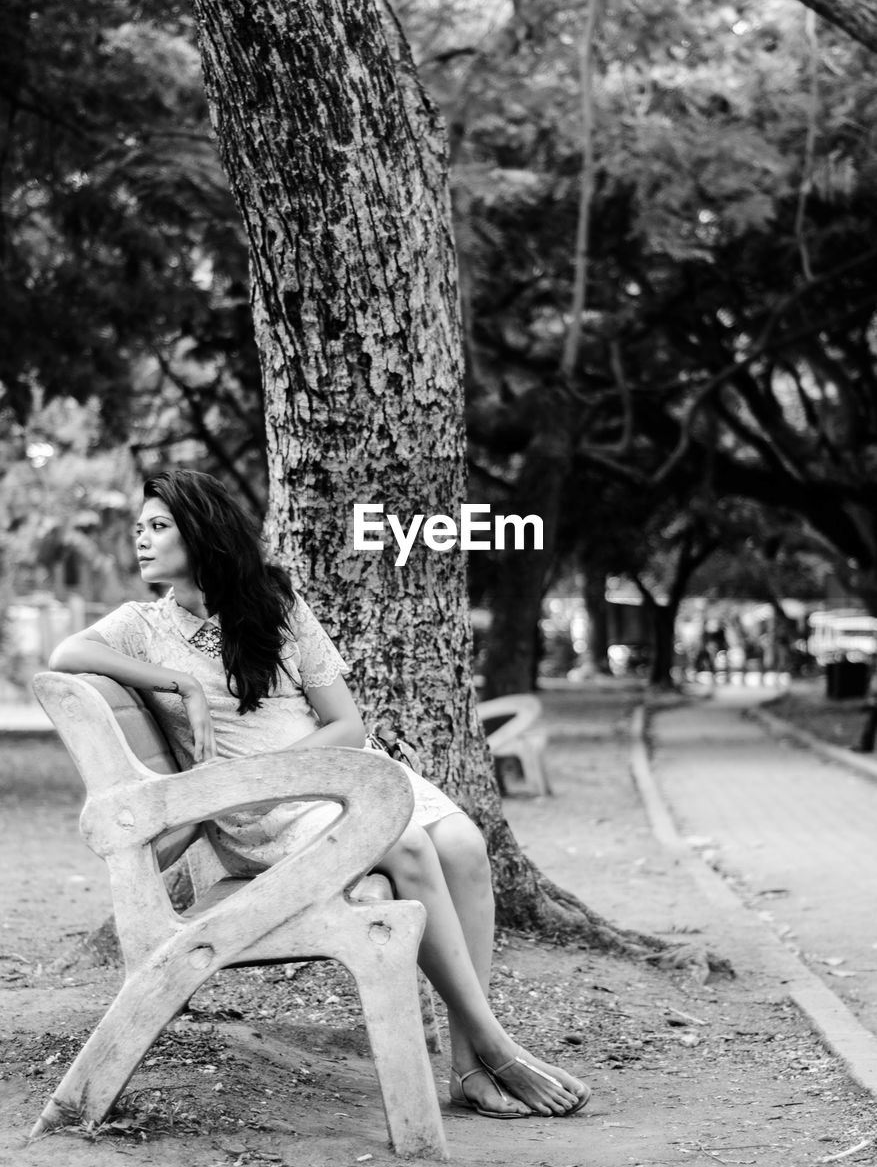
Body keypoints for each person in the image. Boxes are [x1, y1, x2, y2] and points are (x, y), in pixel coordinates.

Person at [49, 469, 589, 1122]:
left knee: (464, 845)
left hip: (338, 771)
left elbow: (347, 724)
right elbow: (67, 650)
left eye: (158, 526)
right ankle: (494, 1047)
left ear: (202, 532)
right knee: (411, 848)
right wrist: (178, 684)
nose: (142, 540)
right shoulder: (141, 625)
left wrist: (304, 765)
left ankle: (465, 1063)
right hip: (258, 807)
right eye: (141, 528)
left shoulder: (274, 602)